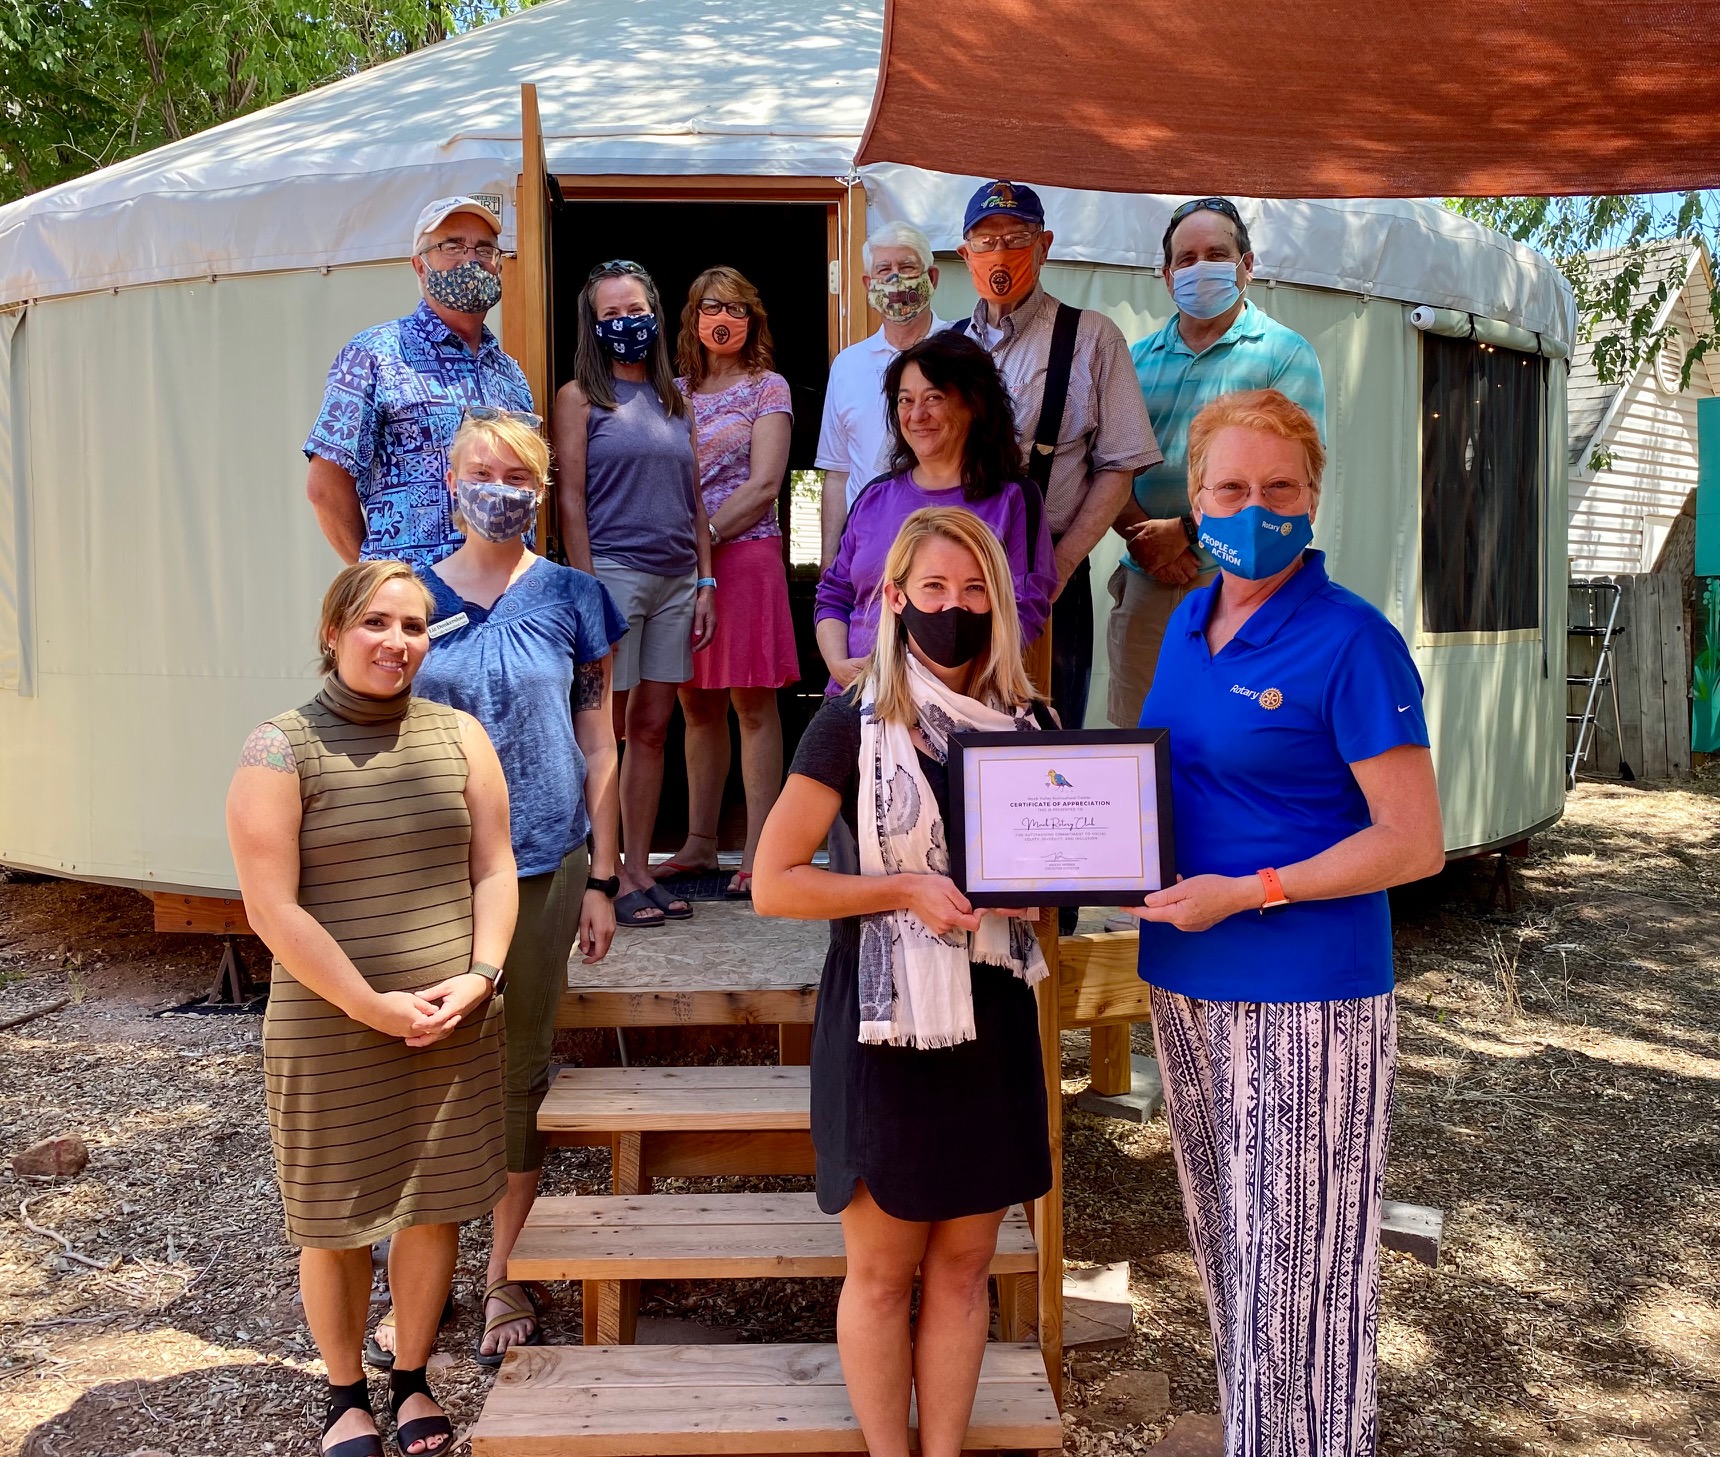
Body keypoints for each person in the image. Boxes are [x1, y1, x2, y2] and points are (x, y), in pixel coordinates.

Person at [1118, 390, 1444, 1457]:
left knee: (1300, 1286)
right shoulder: (1185, 620)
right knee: (1233, 1265)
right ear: (1194, 501)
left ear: (1312, 499)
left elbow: (1411, 841)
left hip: (1307, 990)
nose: (1252, 507)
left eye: (1278, 488)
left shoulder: (1353, 640)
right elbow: (1181, 783)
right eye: (1229, 488)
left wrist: (1252, 890)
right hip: (1185, 976)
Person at [754, 506, 1053, 1457]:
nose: (953, 608)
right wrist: (903, 890)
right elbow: (774, 881)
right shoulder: (852, 720)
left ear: (1000, 604)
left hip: (995, 1016)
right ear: (894, 598)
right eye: (933, 589)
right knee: (882, 1274)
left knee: (966, 1268)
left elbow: (1062, 865)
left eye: (974, 591)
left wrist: (1054, 897)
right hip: (889, 1028)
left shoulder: (1032, 722)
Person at [226, 561, 517, 1457]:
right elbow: (271, 908)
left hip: (451, 1020)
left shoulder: (461, 735)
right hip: (331, 1029)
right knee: (336, 1217)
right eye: (376, 623)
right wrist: (371, 1005)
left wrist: (483, 974)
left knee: (434, 1209)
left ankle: (414, 1376)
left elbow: (495, 867)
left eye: (415, 626)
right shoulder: (277, 749)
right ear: (332, 631)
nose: (397, 642)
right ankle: (344, 1392)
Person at [409, 409, 627, 1364]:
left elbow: (600, 740)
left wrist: (605, 875)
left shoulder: (578, 598)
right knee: (415, 1068)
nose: (498, 487)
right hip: (425, 869)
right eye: (481, 471)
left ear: (541, 488)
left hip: (546, 863)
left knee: (514, 1074)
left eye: (517, 474)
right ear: (450, 481)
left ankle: (504, 1275)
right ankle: (415, 1284)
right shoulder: (406, 598)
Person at [1107, 196, 1327, 729]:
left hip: (1254, 588)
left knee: (1238, 739)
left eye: (1216, 254)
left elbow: (1291, 481)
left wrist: (1184, 533)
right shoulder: (1134, 361)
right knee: (1141, 744)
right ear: (1166, 274)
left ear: (1246, 266)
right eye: (1186, 259)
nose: (1199, 268)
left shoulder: (1283, 355)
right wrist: (1151, 542)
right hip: (1147, 585)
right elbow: (1107, 463)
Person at [953, 179, 1159, 731]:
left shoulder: (1092, 337)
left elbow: (1120, 464)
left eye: (1016, 238)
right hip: (952, 581)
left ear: (1044, 245)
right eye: (986, 238)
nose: (1000, 253)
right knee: (952, 740)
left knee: (1046, 738)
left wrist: (1060, 568)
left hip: (1051, 580)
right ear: (964, 251)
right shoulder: (945, 349)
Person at [552, 260, 716, 928]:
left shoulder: (675, 396)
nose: (627, 323)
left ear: (655, 310)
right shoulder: (578, 397)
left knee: (652, 727)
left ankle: (640, 866)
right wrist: (587, 588)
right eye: (613, 314)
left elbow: (696, 495)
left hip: (678, 575)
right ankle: (607, 869)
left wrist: (706, 578)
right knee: (606, 732)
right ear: (594, 323)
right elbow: (569, 498)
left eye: (636, 310)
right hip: (613, 575)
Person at [648, 267, 798, 899]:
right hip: (682, 562)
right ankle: (700, 846)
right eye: (712, 306)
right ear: (693, 318)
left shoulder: (770, 387)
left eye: (736, 307)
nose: (724, 318)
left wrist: (701, 536)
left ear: (752, 317)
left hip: (745, 555)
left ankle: (761, 851)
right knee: (693, 704)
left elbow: (765, 484)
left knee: (752, 705)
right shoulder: (671, 392)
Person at [815, 330, 1055, 691]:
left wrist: (933, 681)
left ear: (974, 404)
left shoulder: (1015, 499)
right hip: (857, 701)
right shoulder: (874, 496)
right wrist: (838, 664)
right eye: (905, 401)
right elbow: (834, 595)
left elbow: (1025, 607)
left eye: (934, 398)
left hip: (960, 707)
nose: (917, 414)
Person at [305, 196, 534, 567]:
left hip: (506, 597)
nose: (470, 259)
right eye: (452, 245)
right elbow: (325, 488)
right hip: (416, 607)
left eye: (485, 249)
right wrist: (380, 583)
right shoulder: (374, 356)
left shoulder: (510, 373)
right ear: (419, 265)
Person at [815, 222, 947, 566]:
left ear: (931, 278)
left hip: (945, 540)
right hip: (869, 547)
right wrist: (830, 562)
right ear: (867, 284)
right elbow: (838, 472)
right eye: (883, 270)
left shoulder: (961, 351)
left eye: (906, 268)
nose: (895, 281)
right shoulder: (847, 365)